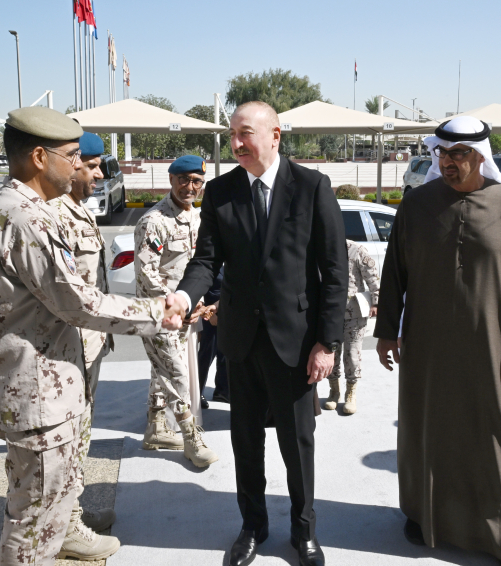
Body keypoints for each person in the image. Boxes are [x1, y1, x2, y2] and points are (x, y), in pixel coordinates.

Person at [0, 106, 186, 566]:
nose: (79, 166)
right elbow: (78, 302)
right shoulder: (26, 217)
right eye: (71, 156)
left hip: (36, 385)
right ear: (39, 157)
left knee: (43, 512)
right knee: (32, 529)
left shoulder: (7, 208)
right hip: (38, 393)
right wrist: (157, 312)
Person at [176, 101, 347, 566]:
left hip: (296, 343)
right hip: (241, 341)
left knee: (298, 445)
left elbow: (335, 271)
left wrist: (327, 342)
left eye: (245, 133)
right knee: (246, 443)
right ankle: (253, 526)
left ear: (274, 135)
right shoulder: (220, 191)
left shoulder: (311, 186)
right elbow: (206, 260)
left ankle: (304, 531)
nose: (235, 143)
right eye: (232, 134)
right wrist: (185, 296)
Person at [374, 116, 501, 566]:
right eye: (442, 153)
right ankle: (421, 515)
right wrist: (387, 331)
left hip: (492, 348)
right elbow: (395, 272)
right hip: (426, 346)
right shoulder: (417, 204)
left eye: (458, 154)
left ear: (480, 155)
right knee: (425, 432)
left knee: (493, 439)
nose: (448, 162)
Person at [47, 131, 116, 534]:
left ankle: (71, 512)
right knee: (69, 437)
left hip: (89, 345)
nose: (100, 174)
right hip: (67, 350)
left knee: (81, 434)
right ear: (71, 166)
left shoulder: (79, 209)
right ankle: (67, 525)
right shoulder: (54, 215)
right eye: (91, 166)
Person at [134, 155, 219, 467]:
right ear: (171, 179)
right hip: (158, 313)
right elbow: (147, 274)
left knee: (163, 370)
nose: (190, 187)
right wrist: (178, 305)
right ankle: (191, 438)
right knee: (178, 374)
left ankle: (156, 429)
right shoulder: (154, 221)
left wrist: (198, 302)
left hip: (185, 313)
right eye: (184, 179)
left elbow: (199, 267)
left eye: (197, 181)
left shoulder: (195, 217)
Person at [323, 240, 379, 415]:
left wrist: (376, 302)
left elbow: (372, 277)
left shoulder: (356, 249)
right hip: (330, 314)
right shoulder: (324, 248)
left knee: (352, 354)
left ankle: (351, 393)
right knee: (331, 353)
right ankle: (334, 391)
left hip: (354, 312)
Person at [197, 267, 229, 409]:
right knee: (206, 355)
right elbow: (199, 290)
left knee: (225, 353)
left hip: (228, 312)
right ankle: (197, 393)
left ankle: (223, 391)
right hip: (210, 316)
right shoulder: (209, 262)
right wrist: (209, 314)